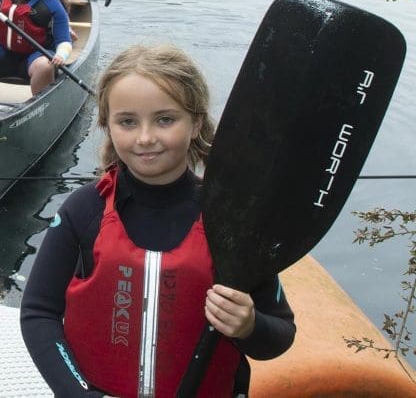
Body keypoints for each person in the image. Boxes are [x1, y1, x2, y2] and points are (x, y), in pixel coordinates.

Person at [20, 44, 296, 397]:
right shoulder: (83, 211)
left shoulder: (231, 222)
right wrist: (77, 393)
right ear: (107, 124)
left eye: (165, 119)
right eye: (127, 121)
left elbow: (279, 335)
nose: (145, 137)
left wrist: (249, 325)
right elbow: (38, 313)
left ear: (195, 122)